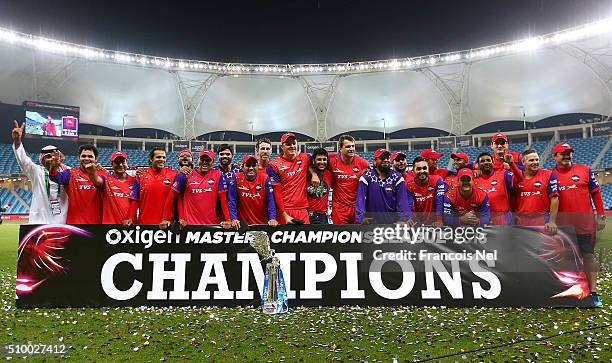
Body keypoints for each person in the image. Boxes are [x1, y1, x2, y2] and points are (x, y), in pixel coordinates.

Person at [551, 142, 606, 307]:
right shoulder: (550, 175)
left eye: (569, 153)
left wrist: (601, 215)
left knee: (588, 256)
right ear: (555, 156)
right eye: (563, 153)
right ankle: (570, 289)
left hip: (585, 224)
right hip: (562, 226)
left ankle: (593, 292)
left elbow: (595, 194)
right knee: (566, 258)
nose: (567, 156)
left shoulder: (585, 170)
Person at [11, 120, 69, 224]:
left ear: (59, 157)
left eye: (53, 156)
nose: (51, 159)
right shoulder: (36, 171)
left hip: (62, 221)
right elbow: (23, 160)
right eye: (48, 157)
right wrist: (17, 141)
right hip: (40, 221)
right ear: (42, 159)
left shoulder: (68, 171)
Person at [160, 149, 229, 228]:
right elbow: (172, 197)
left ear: (213, 162)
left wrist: (228, 220)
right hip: (189, 226)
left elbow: (223, 199)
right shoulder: (185, 175)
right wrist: (165, 218)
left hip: (210, 225)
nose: (205, 162)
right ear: (197, 160)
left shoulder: (218, 175)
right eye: (202, 159)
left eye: (208, 160)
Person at [49, 144, 102, 224]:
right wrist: (54, 167)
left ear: (96, 158)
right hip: (75, 225)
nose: (86, 158)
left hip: (97, 225)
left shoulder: (102, 174)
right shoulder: (70, 173)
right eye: (83, 156)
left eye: (90, 156)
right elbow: (54, 177)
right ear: (79, 158)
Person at [355, 148, 411, 224]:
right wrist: (361, 218)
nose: (385, 160)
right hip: (372, 224)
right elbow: (360, 199)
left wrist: (403, 219)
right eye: (382, 158)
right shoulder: (366, 177)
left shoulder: (397, 178)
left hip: (393, 224)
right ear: (375, 161)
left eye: (387, 158)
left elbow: (402, 201)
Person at [125, 148, 178, 226]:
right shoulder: (141, 176)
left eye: (164, 157)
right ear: (151, 159)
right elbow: (135, 200)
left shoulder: (174, 174)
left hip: (166, 225)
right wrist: (130, 218)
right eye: (158, 157)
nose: (162, 160)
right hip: (144, 224)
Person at [324, 134, 369, 224]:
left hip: (357, 208)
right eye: (348, 146)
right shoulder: (331, 160)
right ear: (340, 148)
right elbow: (312, 160)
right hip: (339, 208)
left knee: (357, 236)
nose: (351, 149)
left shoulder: (363, 163)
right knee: (342, 235)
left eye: (353, 146)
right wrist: (313, 174)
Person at [268, 132, 311, 224]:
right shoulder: (274, 164)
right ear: (282, 147)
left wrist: (314, 173)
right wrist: (284, 214)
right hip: (285, 211)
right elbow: (276, 191)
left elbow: (323, 158)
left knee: (305, 238)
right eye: (288, 144)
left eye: (294, 143)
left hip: (303, 210)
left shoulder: (305, 157)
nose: (292, 146)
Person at [85, 150, 137, 224]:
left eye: (123, 161)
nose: (121, 164)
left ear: (127, 163)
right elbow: (96, 181)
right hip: (109, 228)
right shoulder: (106, 179)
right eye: (117, 162)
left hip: (131, 227)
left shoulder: (135, 180)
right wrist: (91, 173)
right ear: (112, 164)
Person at [512, 149, 558, 233]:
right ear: (523, 162)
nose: (535, 162)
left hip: (542, 221)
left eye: (537, 159)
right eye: (531, 160)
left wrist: (552, 221)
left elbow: (554, 199)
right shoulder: (514, 177)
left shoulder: (548, 175)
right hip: (521, 222)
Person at [227, 154, 278, 228]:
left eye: (254, 165)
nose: (251, 168)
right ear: (242, 166)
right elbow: (232, 200)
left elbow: (270, 200)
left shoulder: (265, 178)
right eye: (248, 165)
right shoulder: (236, 178)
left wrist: (272, 218)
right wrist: (234, 218)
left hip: (262, 224)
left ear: (257, 166)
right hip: (242, 225)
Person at [474, 151, 522, 225]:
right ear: (478, 165)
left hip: (504, 219)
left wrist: (512, 163)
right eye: (482, 161)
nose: (486, 162)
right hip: (483, 220)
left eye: (488, 160)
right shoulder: (473, 179)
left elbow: (520, 179)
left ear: (493, 163)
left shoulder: (503, 174)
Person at [405, 156, 446, 227]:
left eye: (424, 168)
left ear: (428, 169)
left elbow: (439, 201)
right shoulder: (409, 185)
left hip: (434, 224)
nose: (422, 171)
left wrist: (439, 220)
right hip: (418, 224)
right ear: (413, 171)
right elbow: (409, 205)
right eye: (418, 169)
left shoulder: (437, 180)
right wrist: (409, 218)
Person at [307, 148, 332, 224]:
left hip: (323, 217)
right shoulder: (306, 174)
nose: (322, 162)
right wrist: (313, 173)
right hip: (308, 216)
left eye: (324, 159)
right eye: (319, 159)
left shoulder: (329, 174)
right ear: (313, 161)